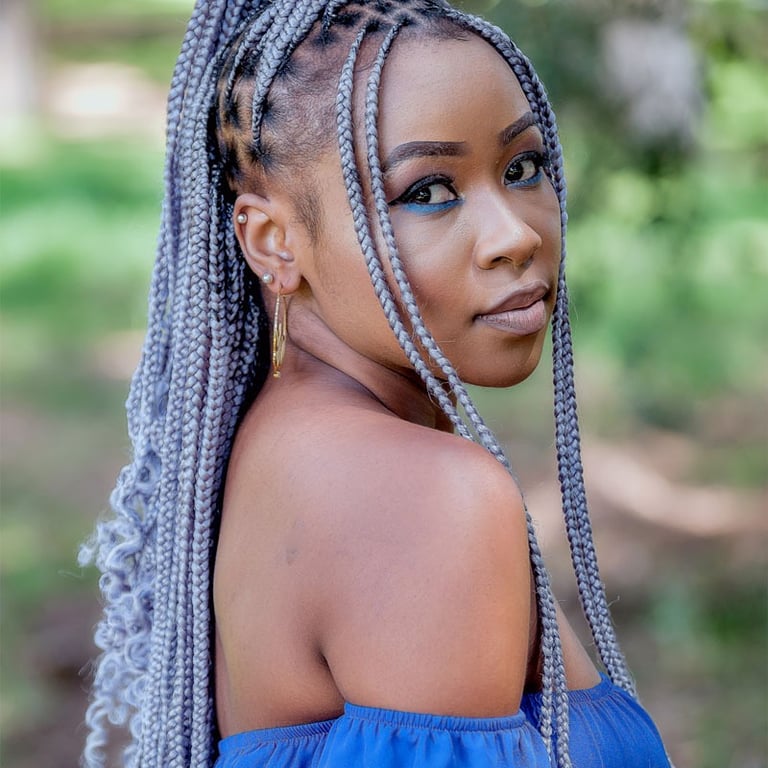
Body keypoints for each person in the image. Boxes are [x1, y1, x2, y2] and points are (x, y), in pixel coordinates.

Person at [80, 1, 673, 767]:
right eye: (427, 191)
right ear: (274, 240)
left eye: (523, 167)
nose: (516, 235)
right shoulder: (426, 496)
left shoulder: (280, 441)